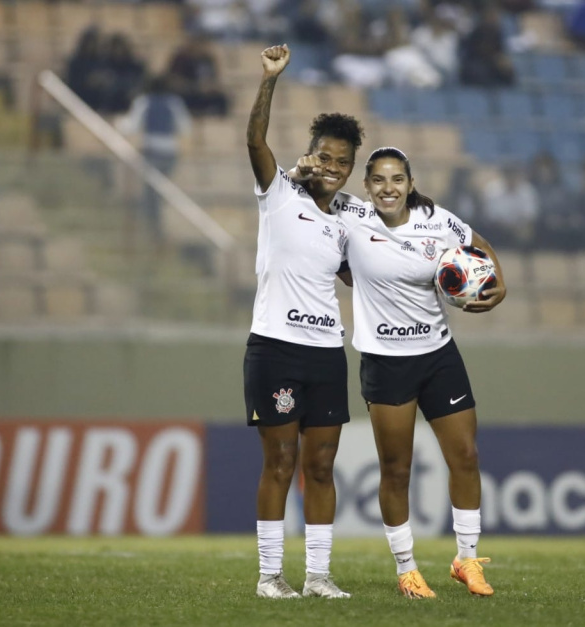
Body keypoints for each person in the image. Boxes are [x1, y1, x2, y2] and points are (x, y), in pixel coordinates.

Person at [310, 146, 506, 599]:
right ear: (366, 186)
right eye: (377, 179)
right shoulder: (351, 216)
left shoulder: (437, 220)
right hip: (385, 362)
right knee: (396, 470)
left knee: (466, 457)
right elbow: (306, 187)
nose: (388, 188)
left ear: (410, 183)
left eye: (397, 179)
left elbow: (480, 246)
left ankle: (467, 560)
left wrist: (500, 285)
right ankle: (407, 569)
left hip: (438, 355)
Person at [244, 43, 364, 600]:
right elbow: (254, 141)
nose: (334, 169)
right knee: (281, 462)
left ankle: (317, 576)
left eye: (344, 163)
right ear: (311, 154)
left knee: (321, 464)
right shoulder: (278, 192)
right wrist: (270, 79)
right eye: (326, 157)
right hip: (275, 347)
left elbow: (359, 278)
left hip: (326, 353)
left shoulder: (343, 224)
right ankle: (271, 576)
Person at [115, 75, 192, 246]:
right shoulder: (174, 103)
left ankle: (154, 229)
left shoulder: (145, 102)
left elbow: (132, 125)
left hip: (153, 152)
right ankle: (155, 229)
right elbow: (185, 127)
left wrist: (119, 123)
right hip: (170, 152)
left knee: (153, 193)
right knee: (155, 192)